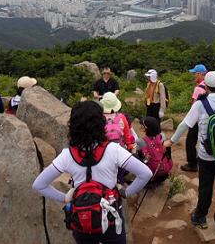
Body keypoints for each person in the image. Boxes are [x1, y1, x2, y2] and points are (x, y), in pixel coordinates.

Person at [32, 101, 152, 244]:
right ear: (101, 124)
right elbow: (146, 174)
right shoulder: (113, 150)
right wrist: (126, 192)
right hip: (111, 219)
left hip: (82, 220)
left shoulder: (67, 155)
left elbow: (39, 185)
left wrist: (65, 198)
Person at [164, 71, 215, 233]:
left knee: (205, 186)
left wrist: (171, 141)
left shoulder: (200, 105)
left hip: (207, 155)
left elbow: (185, 125)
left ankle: (200, 217)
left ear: (206, 86)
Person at [181, 63, 208, 173]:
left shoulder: (198, 88)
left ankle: (192, 164)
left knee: (190, 141)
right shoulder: (209, 85)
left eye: (195, 74)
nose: (194, 76)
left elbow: (194, 106)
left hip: (197, 119)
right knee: (203, 139)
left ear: (201, 74)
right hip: (206, 118)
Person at [137, 116, 172, 183]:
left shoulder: (140, 141)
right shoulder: (162, 136)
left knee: (135, 156)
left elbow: (143, 160)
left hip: (153, 173)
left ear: (146, 128)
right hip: (166, 169)